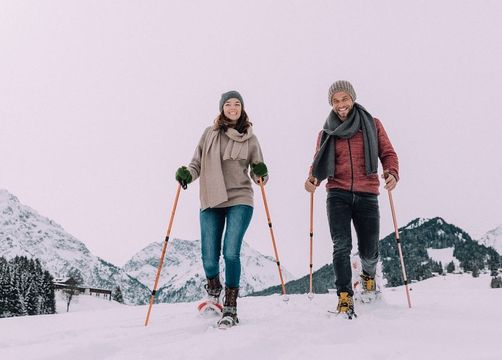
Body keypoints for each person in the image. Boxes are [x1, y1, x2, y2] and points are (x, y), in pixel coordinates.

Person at [304, 80, 399, 318]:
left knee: (369, 250)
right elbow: (318, 163)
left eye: (344, 99)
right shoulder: (326, 132)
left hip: (368, 193)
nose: (341, 105)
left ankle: (368, 276)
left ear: (352, 98)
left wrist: (392, 173)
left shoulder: (372, 125)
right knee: (341, 246)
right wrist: (312, 179)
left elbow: (388, 153)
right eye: (335, 101)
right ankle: (344, 296)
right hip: (337, 193)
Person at [175, 90, 268, 328]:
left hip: (240, 198)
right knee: (209, 257)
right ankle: (213, 291)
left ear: (242, 108)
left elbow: (260, 174)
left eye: (237, 104)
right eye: (228, 104)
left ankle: (230, 307)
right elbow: (196, 164)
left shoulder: (250, 139)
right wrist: (187, 174)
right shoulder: (209, 134)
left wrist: (261, 173)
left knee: (230, 252)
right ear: (222, 108)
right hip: (211, 198)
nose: (233, 108)